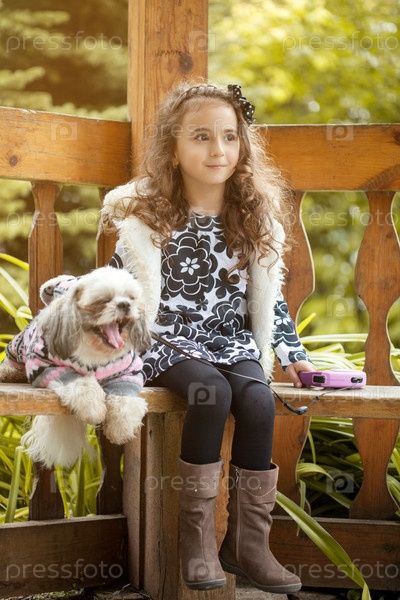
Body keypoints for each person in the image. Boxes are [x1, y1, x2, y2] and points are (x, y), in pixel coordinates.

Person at [100, 81, 315, 594]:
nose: (218, 149)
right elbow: (119, 288)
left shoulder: (254, 218)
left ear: (242, 145)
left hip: (229, 341)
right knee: (211, 392)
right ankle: (196, 542)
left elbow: (269, 300)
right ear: (172, 148)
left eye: (229, 136)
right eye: (201, 136)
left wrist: (294, 357)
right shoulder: (147, 218)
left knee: (258, 400)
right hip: (166, 341)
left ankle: (247, 545)